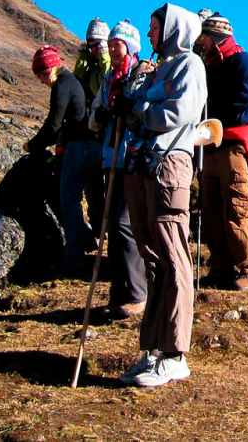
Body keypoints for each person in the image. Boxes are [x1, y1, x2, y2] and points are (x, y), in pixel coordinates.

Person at [115, 3, 205, 387]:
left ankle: (175, 353)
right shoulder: (157, 67)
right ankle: (153, 349)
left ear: (173, 30)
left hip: (168, 163)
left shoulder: (189, 65)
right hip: (141, 164)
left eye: (155, 27)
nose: (150, 34)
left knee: (172, 254)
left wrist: (137, 110)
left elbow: (179, 112)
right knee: (151, 255)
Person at [193, 13, 248, 291]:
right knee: (211, 208)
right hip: (211, 143)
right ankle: (220, 267)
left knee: (237, 204)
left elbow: (247, 96)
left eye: (205, 36)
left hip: (235, 143)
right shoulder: (209, 65)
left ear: (215, 37)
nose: (201, 41)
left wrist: (213, 109)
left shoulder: (243, 61)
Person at [88, 20, 149, 319]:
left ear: (131, 47)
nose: (113, 49)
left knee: (126, 225)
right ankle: (118, 292)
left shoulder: (142, 75)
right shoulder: (108, 79)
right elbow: (94, 117)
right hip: (110, 158)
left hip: (132, 158)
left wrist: (130, 110)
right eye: (111, 45)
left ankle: (139, 293)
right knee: (112, 224)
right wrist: (100, 115)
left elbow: (143, 115)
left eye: (118, 45)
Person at [24, 45, 101, 271]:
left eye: (41, 75)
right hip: (93, 146)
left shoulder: (62, 85)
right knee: (79, 199)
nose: (41, 81)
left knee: (68, 201)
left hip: (78, 147)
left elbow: (53, 124)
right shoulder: (75, 81)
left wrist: (33, 145)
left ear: (49, 70)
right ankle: (86, 240)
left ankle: (74, 257)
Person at [75, 18, 112, 242]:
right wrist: (83, 58)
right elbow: (78, 83)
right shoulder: (88, 66)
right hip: (90, 132)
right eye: (90, 44)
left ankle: (111, 225)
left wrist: (104, 54)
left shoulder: (107, 63)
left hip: (107, 132)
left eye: (97, 44)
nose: (93, 49)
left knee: (109, 182)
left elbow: (109, 79)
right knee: (92, 184)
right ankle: (98, 226)